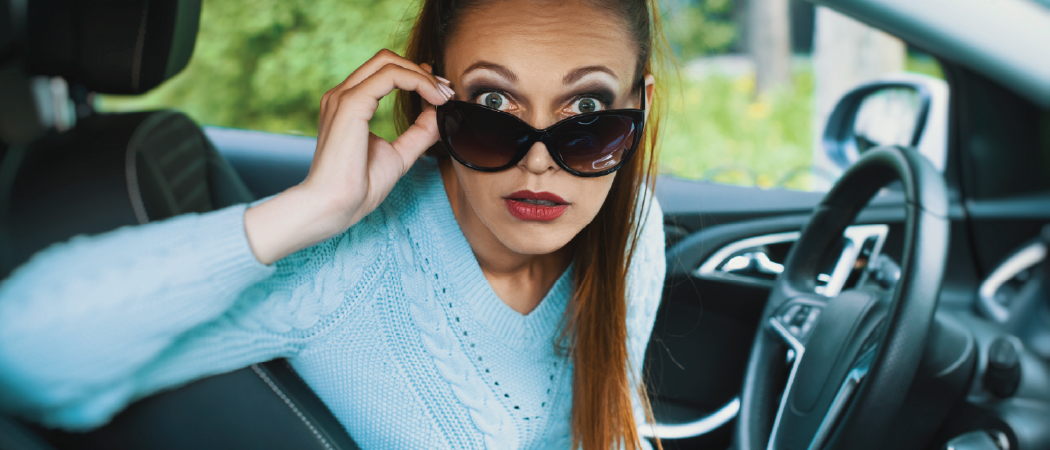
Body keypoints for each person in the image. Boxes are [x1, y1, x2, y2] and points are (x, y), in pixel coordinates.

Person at [0, 0, 671, 448]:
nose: (536, 161)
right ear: (434, 97)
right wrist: (312, 208)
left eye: (587, 110)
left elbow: (619, 422)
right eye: (494, 103)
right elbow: (19, 358)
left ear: (639, 106)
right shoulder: (349, 264)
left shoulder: (632, 224)